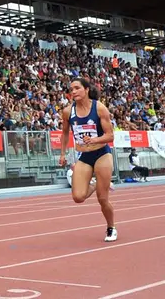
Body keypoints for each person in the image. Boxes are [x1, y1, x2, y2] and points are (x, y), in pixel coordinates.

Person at [58, 77, 116, 242]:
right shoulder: (68, 112)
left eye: (77, 88)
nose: (73, 91)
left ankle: (111, 228)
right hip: (84, 156)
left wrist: (95, 140)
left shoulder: (99, 108)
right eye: (71, 89)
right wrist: (62, 154)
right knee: (78, 197)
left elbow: (110, 135)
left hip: (102, 154)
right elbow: (64, 133)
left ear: (86, 90)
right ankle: (98, 183)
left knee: (102, 199)